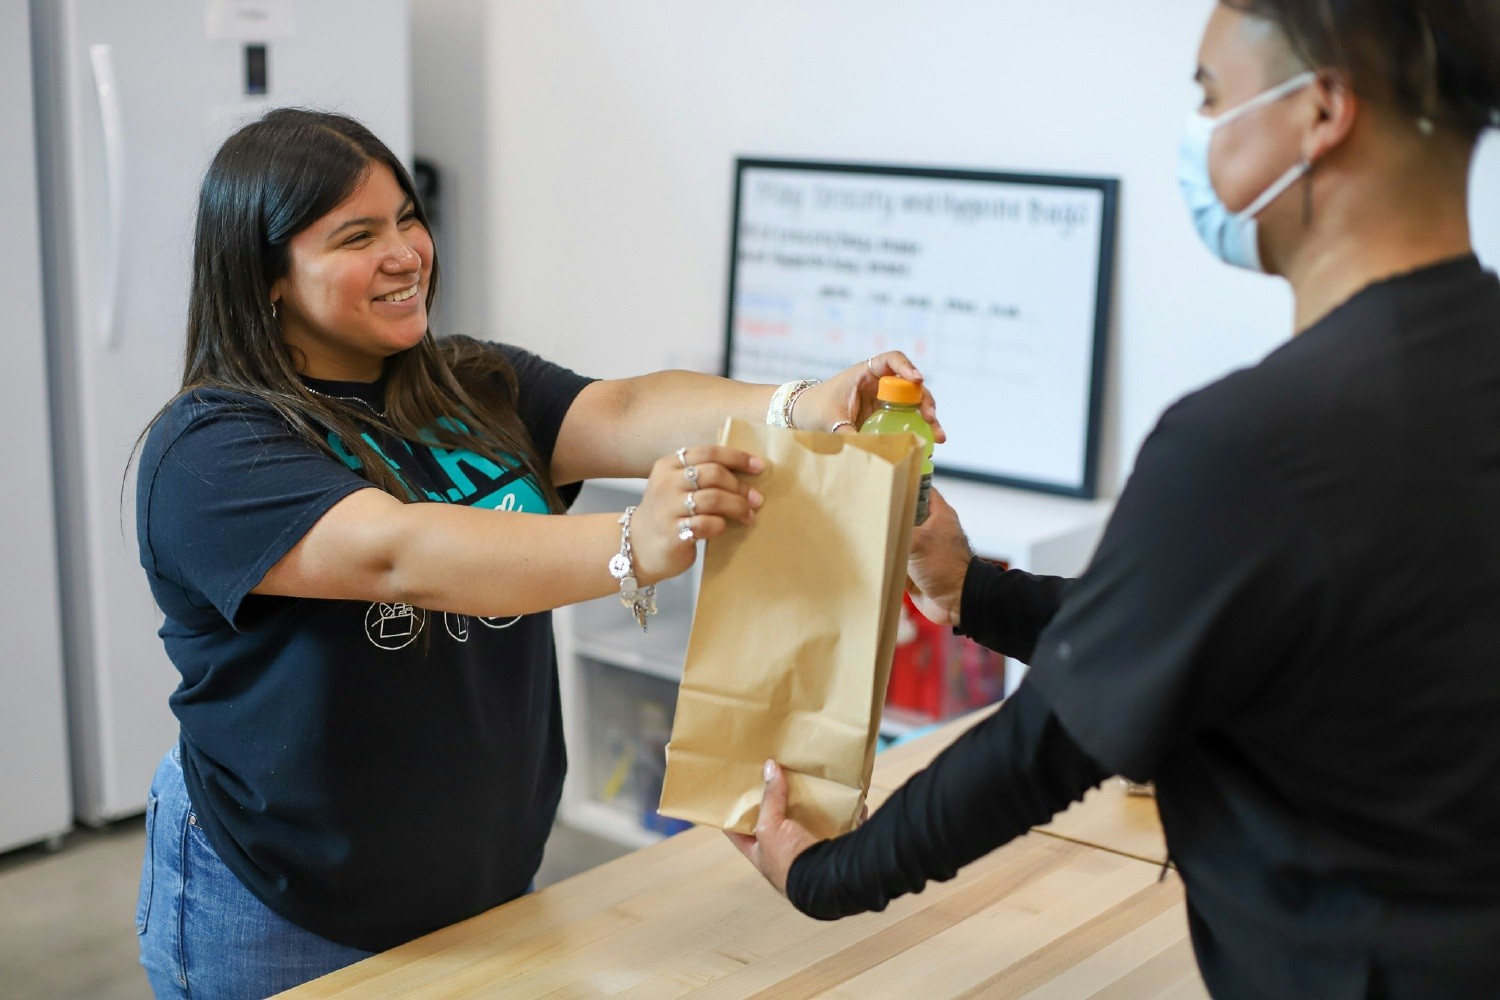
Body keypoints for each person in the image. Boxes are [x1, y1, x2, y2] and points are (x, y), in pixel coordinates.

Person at [730, 2, 1500, 997]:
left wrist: (825, 873)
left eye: (1213, 97)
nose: (1203, 131)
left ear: (1321, 111)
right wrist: (973, 590)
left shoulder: (1251, 440)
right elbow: (1196, 628)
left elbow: (1046, 743)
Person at [132, 107, 941, 999]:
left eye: (407, 218)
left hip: (480, 876)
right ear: (267, 276)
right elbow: (395, 554)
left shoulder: (468, 381)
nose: (406, 253)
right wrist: (633, 542)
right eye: (357, 235)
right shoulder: (211, 448)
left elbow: (626, 412)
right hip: (282, 897)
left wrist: (807, 403)